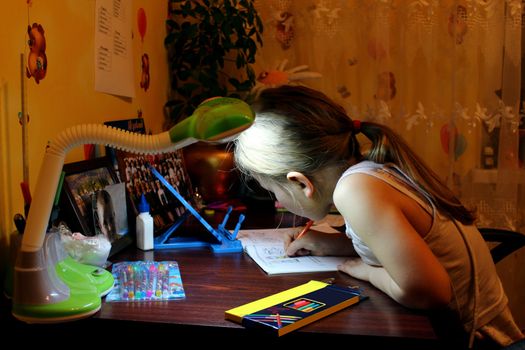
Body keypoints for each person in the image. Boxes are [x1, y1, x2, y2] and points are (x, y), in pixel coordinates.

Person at [233, 85, 524, 349]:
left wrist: (366, 270)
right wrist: (331, 245)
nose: (277, 201)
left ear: (300, 183)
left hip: (481, 339)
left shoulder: (355, 191)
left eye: (273, 191)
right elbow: (401, 246)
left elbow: (429, 292)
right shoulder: (371, 170)